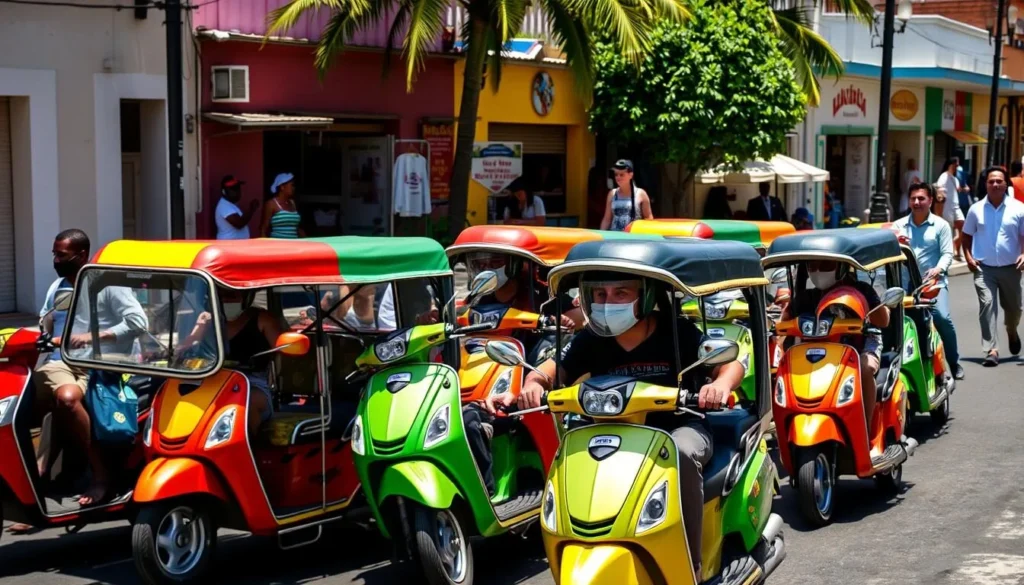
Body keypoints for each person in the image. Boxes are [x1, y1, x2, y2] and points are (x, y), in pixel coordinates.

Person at [477, 273, 742, 576]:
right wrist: (532, 384)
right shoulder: (590, 339)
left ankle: (688, 566)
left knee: (681, 451)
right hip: (608, 434)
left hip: (676, 428)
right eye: (600, 294)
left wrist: (720, 385)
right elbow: (549, 372)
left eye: (620, 293)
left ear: (644, 297)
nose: (608, 303)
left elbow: (731, 365)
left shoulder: (677, 332)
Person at [36, 229, 148, 506]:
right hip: (59, 361)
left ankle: (99, 477)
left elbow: (138, 322)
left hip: (97, 364)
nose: (56, 260)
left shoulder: (106, 283)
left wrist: (91, 337)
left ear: (82, 255)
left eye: (61, 255)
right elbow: (45, 322)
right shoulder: (58, 287)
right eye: (54, 254)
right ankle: (35, 487)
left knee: (67, 399)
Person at [783, 260, 890, 429]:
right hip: (819, 350)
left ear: (841, 268)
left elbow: (883, 321)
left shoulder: (862, 289)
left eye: (825, 266)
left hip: (862, 343)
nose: (818, 271)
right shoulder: (805, 297)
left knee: (865, 367)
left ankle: (865, 426)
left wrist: (868, 308)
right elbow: (784, 324)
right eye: (812, 266)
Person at [893, 182, 963, 380]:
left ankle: (953, 362)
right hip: (904, 286)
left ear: (930, 201)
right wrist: (896, 243)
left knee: (941, 317)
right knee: (894, 323)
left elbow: (948, 253)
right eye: (913, 198)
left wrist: (938, 269)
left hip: (932, 286)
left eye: (921, 198)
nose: (917, 202)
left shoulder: (941, 225)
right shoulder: (898, 226)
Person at [961, 166, 1024, 367]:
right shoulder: (975, 209)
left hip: (1011, 268)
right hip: (984, 268)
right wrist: (968, 257)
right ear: (986, 184)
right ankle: (991, 350)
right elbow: (966, 235)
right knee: (987, 305)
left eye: (999, 181)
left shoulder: (1019, 208)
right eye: (991, 181)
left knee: (1015, 309)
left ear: (1006, 184)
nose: (995, 184)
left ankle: (1011, 331)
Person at [601, 159, 653, 231]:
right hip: (614, 238)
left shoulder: (641, 194)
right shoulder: (612, 194)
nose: (618, 177)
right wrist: (601, 235)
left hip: (633, 239)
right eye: (616, 174)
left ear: (630, 175)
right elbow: (607, 219)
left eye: (621, 174)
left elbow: (649, 220)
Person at [937, 158, 967, 260]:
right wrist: (939, 207)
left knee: (963, 226)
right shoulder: (944, 176)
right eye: (956, 164)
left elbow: (958, 189)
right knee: (947, 230)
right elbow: (939, 189)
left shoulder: (955, 178)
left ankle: (956, 247)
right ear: (951, 164)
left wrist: (964, 189)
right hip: (947, 206)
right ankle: (950, 252)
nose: (957, 166)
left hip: (956, 206)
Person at [215, 175, 260, 240]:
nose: (237, 191)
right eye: (233, 189)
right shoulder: (224, 205)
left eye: (238, 188)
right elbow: (239, 223)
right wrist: (251, 209)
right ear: (224, 191)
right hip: (228, 246)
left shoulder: (231, 204)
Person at [262, 172, 305, 239]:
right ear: (282, 187)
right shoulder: (271, 204)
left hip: (294, 246)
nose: (294, 188)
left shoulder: (292, 203)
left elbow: (296, 228)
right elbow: (264, 228)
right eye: (292, 185)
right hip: (278, 247)